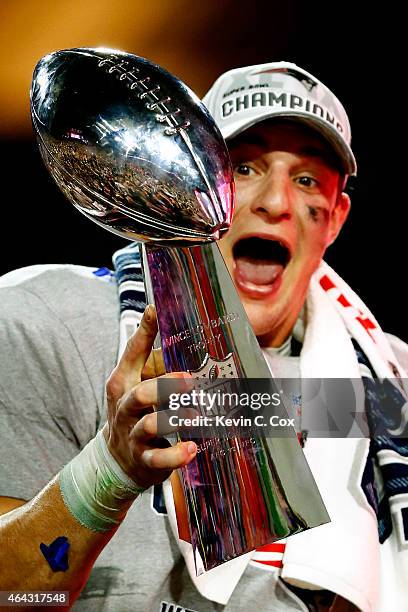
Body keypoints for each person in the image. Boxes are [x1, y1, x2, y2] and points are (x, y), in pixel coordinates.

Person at [1, 61, 407, 612]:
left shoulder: (393, 390)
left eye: (307, 179)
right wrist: (109, 470)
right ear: (176, 178)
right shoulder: (52, 322)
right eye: (242, 167)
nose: (276, 202)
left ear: (335, 217)